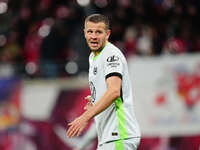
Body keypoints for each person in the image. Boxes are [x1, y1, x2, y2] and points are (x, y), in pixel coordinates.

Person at [66, 14, 141, 150]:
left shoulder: (111, 55)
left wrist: (85, 117)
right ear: (84, 33)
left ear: (107, 34)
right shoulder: (93, 57)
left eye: (98, 32)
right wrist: (95, 100)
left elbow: (114, 91)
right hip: (109, 137)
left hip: (119, 135)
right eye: (90, 32)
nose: (93, 36)